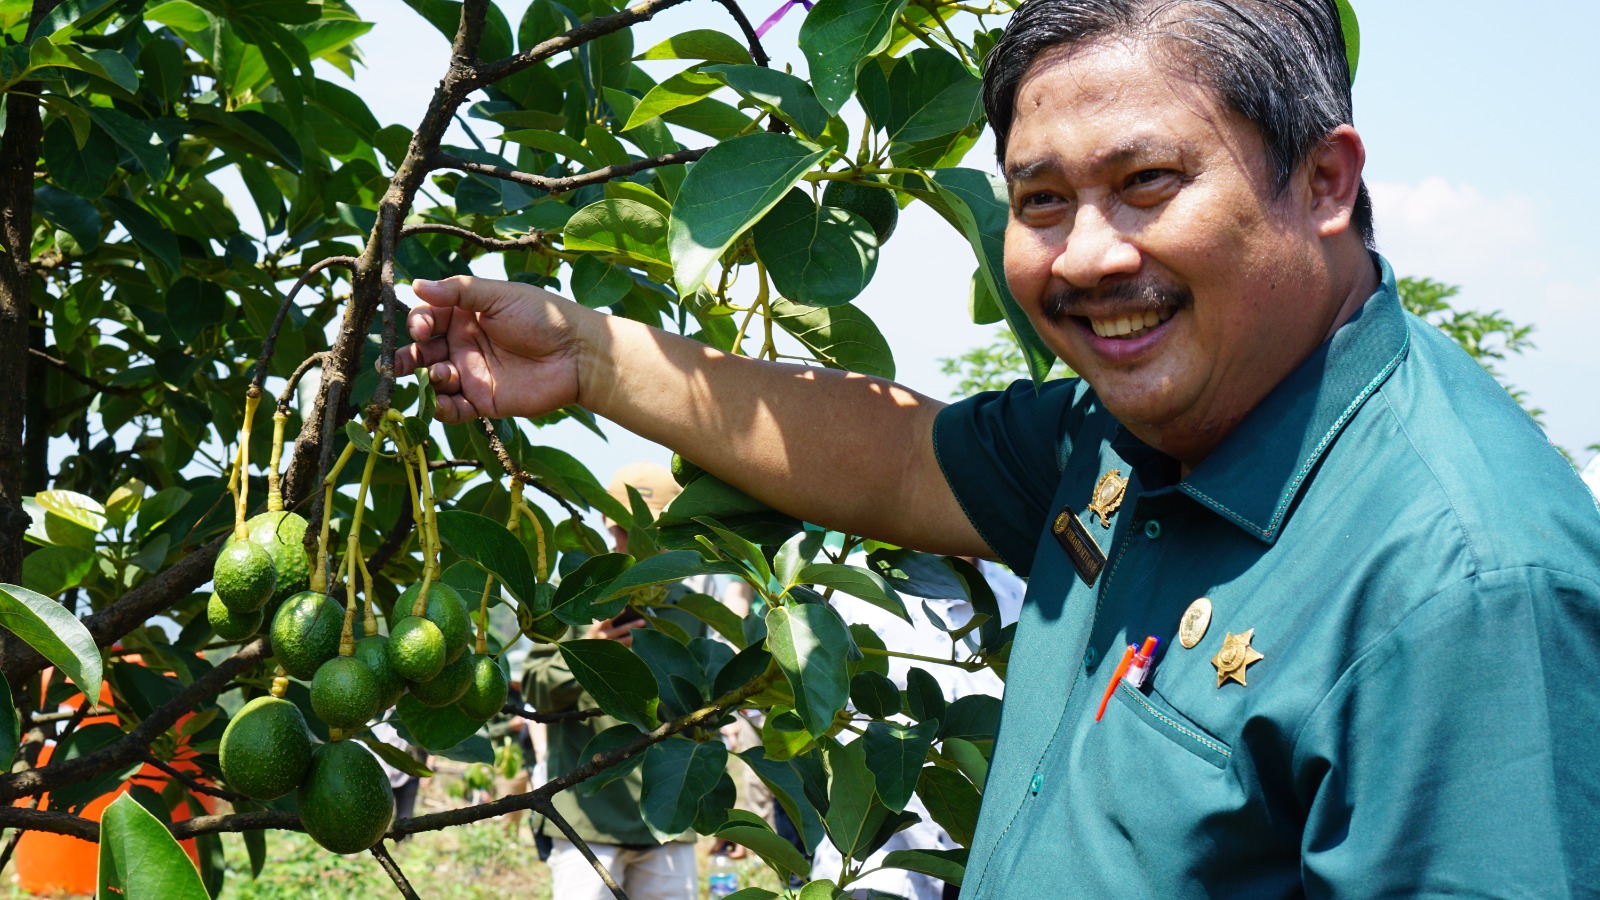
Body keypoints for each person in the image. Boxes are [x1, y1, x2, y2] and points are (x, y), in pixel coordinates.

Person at [395, 1, 1600, 895]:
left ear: (1324, 180)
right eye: (1038, 202)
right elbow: (898, 457)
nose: (1084, 257)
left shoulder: (1466, 591)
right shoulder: (1129, 430)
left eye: (1147, 182)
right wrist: (595, 359)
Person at [521, 462, 701, 900]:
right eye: (623, 529)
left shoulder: (687, 606)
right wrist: (589, 650)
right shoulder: (576, 596)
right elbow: (534, 689)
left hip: (667, 820)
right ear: (606, 523)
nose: (634, 544)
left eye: (650, 532)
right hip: (587, 816)